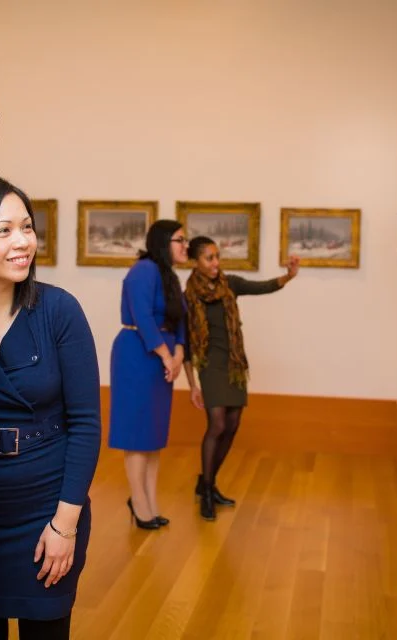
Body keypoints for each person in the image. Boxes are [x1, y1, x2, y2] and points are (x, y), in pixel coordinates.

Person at [0, 175, 101, 640]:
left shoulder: (59, 310)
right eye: (4, 231)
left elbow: (86, 424)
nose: (23, 242)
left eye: (27, 227)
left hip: (46, 507)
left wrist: (65, 526)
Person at [182, 236, 300, 521]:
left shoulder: (230, 284)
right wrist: (192, 385)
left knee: (233, 424)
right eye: (209, 258)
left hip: (233, 363)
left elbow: (262, 287)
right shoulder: (188, 296)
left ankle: (207, 481)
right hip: (209, 365)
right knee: (217, 424)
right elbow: (185, 343)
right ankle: (206, 492)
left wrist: (288, 276)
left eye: (217, 257)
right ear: (195, 261)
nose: (215, 263)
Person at [108, 220, 189, 529]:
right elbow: (142, 316)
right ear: (164, 242)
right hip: (138, 355)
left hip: (161, 356)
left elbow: (180, 319)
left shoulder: (170, 275)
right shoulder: (144, 270)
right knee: (137, 433)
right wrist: (167, 355)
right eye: (180, 240)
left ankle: (150, 503)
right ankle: (139, 504)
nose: (186, 245)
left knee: (153, 435)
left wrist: (178, 352)